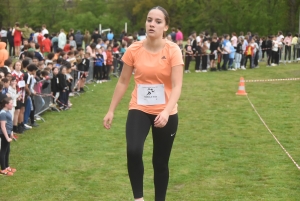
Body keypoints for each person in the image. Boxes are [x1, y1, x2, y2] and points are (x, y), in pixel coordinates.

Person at [103, 6, 184, 201]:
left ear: (166, 26)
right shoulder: (134, 49)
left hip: (166, 112)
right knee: (133, 150)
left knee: (160, 162)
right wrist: (111, 110)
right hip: (139, 107)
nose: (152, 24)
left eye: (157, 21)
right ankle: (138, 198)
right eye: (149, 20)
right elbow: (123, 81)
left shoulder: (173, 50)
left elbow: (177, 86)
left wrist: (165, 112)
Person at [0, 97, 15, 176]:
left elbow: (9, 122)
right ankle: (3, 169)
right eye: (11, 103)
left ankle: (7, 166)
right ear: (6, 104)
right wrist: (7, 137)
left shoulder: (7, 111)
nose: (12, 105)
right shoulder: (2, 113)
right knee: (3, 151)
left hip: (8, 133)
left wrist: (11, 132)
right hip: (4, 134)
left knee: (7, 150)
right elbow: (3, 127)